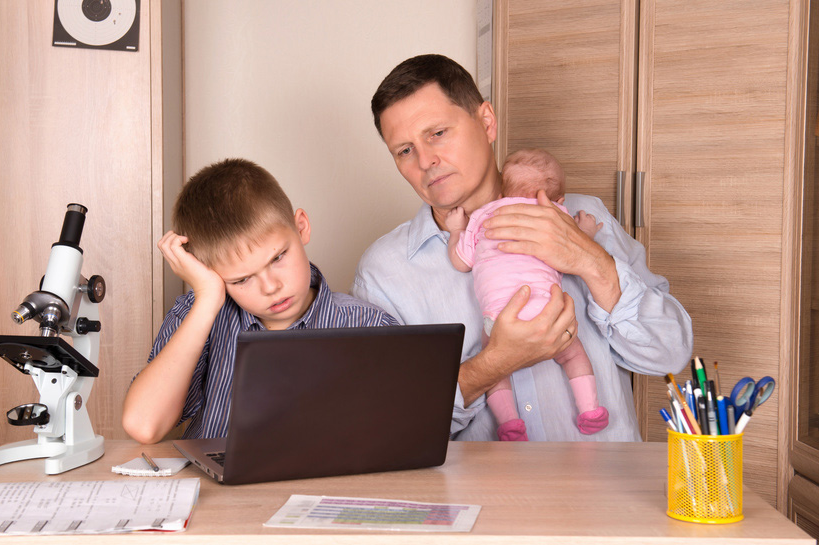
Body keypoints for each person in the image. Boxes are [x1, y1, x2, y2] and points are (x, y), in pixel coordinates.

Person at [352, 54, 693, 441]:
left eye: (437, 133)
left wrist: (589, 259)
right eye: (405, 150)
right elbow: (388, 425)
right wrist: (494, 363)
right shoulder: (385, 272)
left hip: (605, 495)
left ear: (486, 122)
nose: (426, 161)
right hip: (484, 500)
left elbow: (670, 353)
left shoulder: (583, 215)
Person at [123, 158, 397, 444]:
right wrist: (206, 299)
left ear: (300, 227)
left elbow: (397, 434)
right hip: (216, 486)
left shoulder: (370, 326)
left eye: (278, 258)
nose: (271, 287)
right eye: (241, 280)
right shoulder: (198, 318)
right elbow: (145, 424)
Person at [446, 148, 608, 441]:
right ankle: (590, 410)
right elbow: (575, 245)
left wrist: (457, 230)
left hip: (496, 320)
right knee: (573, 355)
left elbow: (461, 262)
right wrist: (586, 232)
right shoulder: (555, 216)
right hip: (550, 314)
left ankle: (509, 424)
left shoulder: (483, 216)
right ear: (559, 201)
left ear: (500, 196)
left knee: (494, 367)